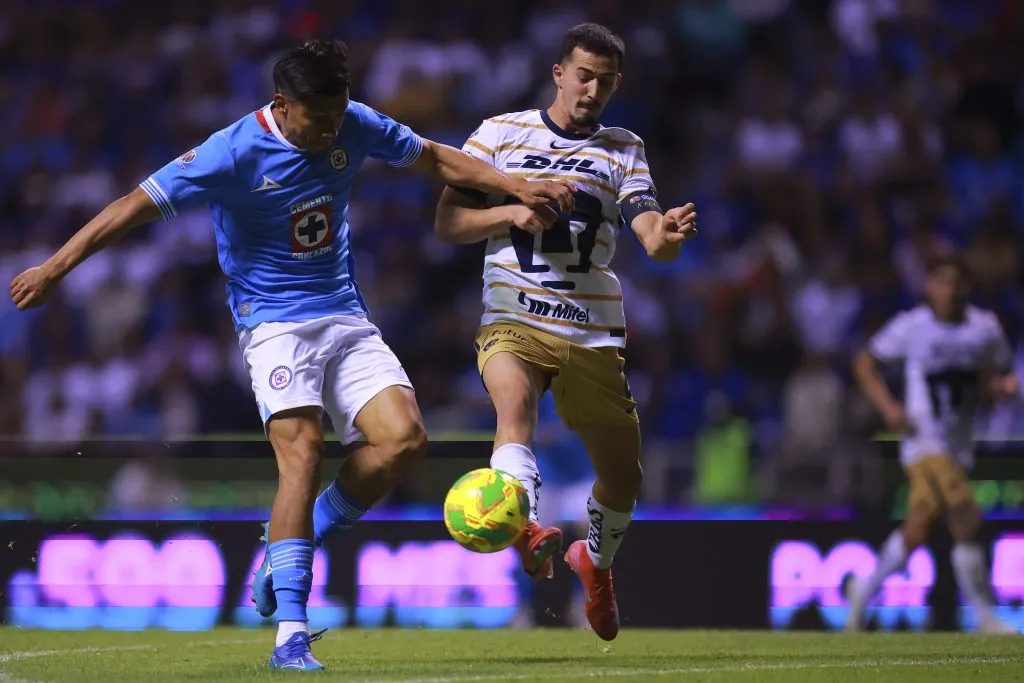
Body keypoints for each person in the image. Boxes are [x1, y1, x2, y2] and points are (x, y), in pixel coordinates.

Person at [9, 39, 573, 670]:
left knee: (406, 441)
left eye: (338, 114)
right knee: (302, 457)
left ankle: (303, 536)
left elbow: (440, 160)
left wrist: (513, 183)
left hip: (343, 314)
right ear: (283, 104)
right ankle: (291, 636)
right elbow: (129, 208)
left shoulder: (353, 122)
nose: (331, 128)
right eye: (318, 118)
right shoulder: (231, 151)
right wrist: (55, 267)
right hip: (274, 326)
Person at [433, 23, 697, 641]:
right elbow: (449, 222)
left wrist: (666, 239)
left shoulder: (624, 148)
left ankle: (594, 565)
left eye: (605, 81)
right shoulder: (499, 134)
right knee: (513, 405)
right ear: (559, 73)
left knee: (624, 476)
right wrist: (512, 210)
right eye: (584, 75)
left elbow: (649, 232)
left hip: (591, 331)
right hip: (513, 316)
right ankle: (524, 531)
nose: (592, 89)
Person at [847, 254, 1019, 634]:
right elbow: (864, 364)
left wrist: (999, 389)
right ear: (928, 286)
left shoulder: (985, 329)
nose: (948, 290)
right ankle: (985, 615)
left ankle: (863, 591)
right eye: (940, 281)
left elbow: (993, 379)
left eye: (955, 281)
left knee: (918, 529)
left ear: (967, 286)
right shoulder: (912, 326)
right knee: (967, 518)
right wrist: (889, 406)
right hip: (923, 442)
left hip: (959, 443)